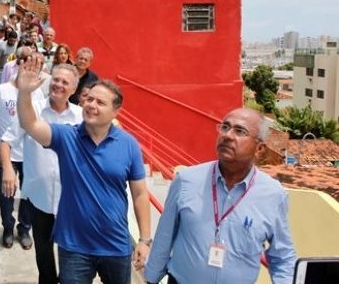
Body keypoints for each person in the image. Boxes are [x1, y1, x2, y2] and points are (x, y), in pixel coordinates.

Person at [16, 55, 151, 284]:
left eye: (100, 103)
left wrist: (144, 240)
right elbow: (31, 124)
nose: (91, 105)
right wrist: (25, 92)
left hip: (115, 246)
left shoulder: (129, 144)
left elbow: (140, 194)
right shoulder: (66, 136)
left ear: (116, 111)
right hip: (74, 247)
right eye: (90, 100)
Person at [144, 108, 297, 284]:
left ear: (259, 149)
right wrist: (151, 279)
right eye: (224, 127)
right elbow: (165, 236)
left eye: (240, 131)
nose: (228, 135)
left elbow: (282, 257)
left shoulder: (273, 194)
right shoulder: (187, 180)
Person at [0, 63, 83, 284]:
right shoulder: (31, 109)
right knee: (44, 257)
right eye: (56, 79)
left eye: (65, 82)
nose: (58, 84)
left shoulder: (81, 117)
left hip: (71, 201)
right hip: (40, 198)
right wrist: (8, 169)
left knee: (71, 258)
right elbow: (6, 142)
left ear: (74, 89)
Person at [0, 74, 43, 250]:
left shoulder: (38, 93)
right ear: (18, 65)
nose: (31, 70)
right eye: (26, 64)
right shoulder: (0, 91)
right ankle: (8, 228)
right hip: (7, 152)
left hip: (31, 154)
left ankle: (24, 229)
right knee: (6, 193)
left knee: (30, 194)